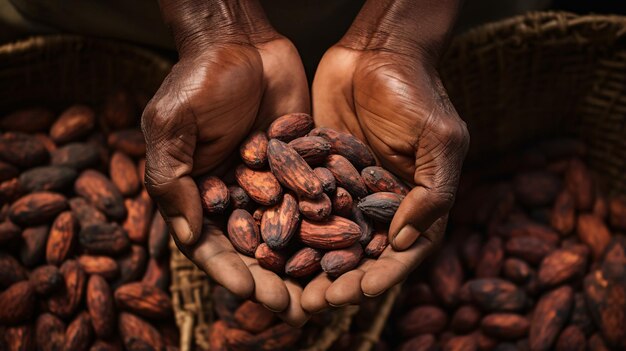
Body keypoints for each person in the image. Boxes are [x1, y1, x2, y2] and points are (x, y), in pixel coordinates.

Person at [140, 0, 469, 327]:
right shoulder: (289, 179)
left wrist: (400, 39)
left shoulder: (318, 182)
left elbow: (332, 186)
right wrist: (217, 30)